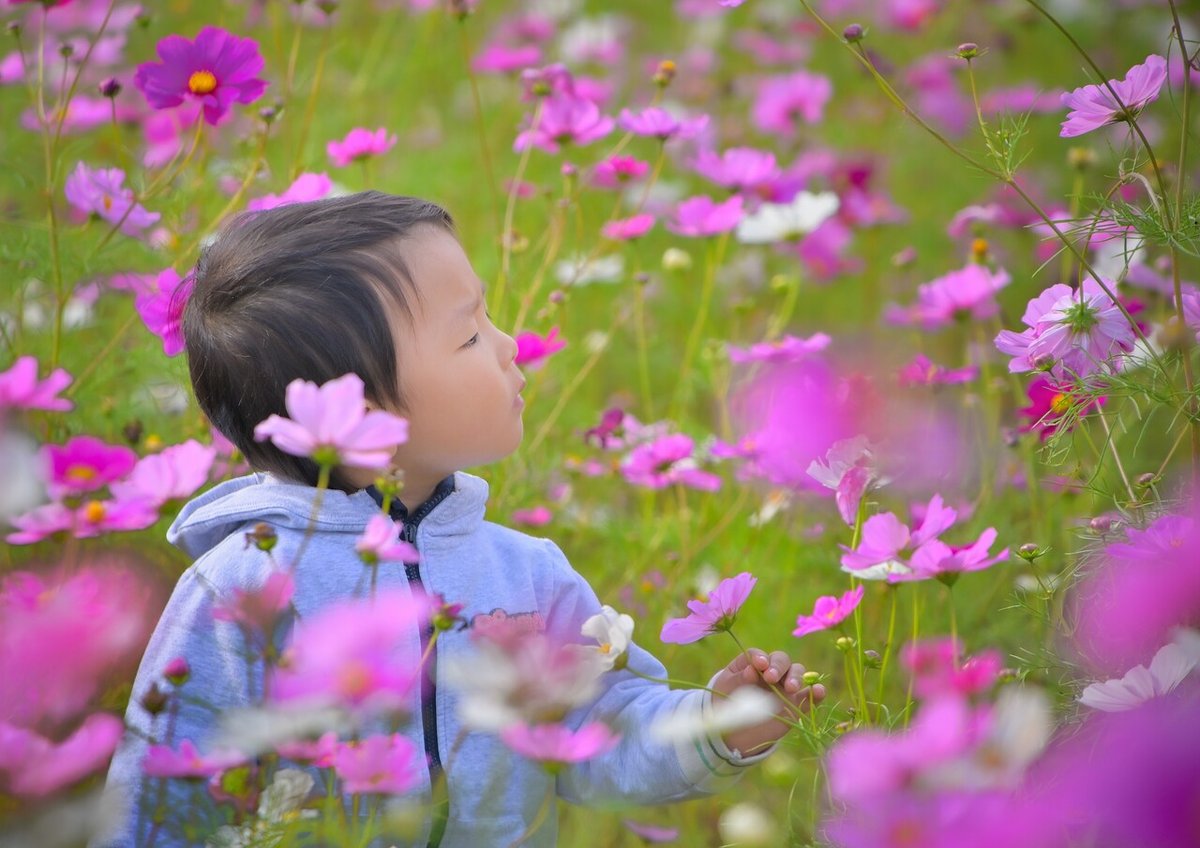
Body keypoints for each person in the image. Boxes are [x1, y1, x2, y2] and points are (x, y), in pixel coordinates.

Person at [100, 192, 826, 847]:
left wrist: (717, 723)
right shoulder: (244, 586)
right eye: (471, 335)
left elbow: (591, 724)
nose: (509, 345)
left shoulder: (525, 571)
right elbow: (163, 797)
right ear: (362, 412)